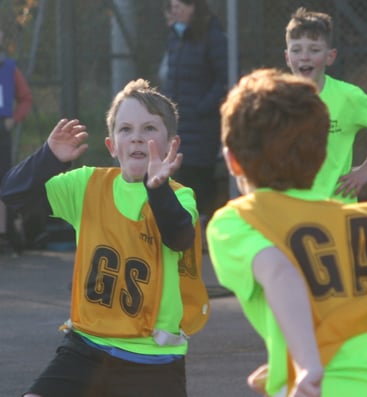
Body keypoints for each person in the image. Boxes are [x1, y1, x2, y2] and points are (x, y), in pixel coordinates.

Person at [207, 68, 367, 397]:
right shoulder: (366, 226)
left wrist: (307, 364)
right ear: (321, 158)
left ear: (233, 162)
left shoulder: (239, 221)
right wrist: (284, 365)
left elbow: (280, 272)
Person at [0, 79, 210, 397]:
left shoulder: (180, 198)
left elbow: (178, 236)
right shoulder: (87, 186)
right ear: (112, 145)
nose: (137, 137)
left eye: (150, 129)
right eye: (126, 129)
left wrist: (158, 189)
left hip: (152, 357)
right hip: (86, 346)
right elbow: (13, 194)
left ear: (171, 145)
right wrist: (49, 157)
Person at [284, 7, 367, 203]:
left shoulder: (348, 97)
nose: (305, 57)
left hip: (338, 210)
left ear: (330, 56)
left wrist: (366, 170)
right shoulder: (277, 99)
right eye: (297, 50)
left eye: (314, 50)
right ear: (287, 57)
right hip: (292, 210)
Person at [161, 0, 228, 223]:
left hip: (202, 123)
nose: (175, 12)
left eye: (178, 7)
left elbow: (225, 78)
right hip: (180, 121)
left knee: (200, 174)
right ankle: (187, 226)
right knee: (182, 173)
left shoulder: (212, 36)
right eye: (172, 7)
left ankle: (204, 228)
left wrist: (202, 108)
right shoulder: (177, 37)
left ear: (193, 7)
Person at [0, 25, 33, 254]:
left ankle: (4, 234)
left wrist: (14, 119)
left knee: (3, 181)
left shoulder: (9, 68)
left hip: (2, 129)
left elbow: (25, 98)